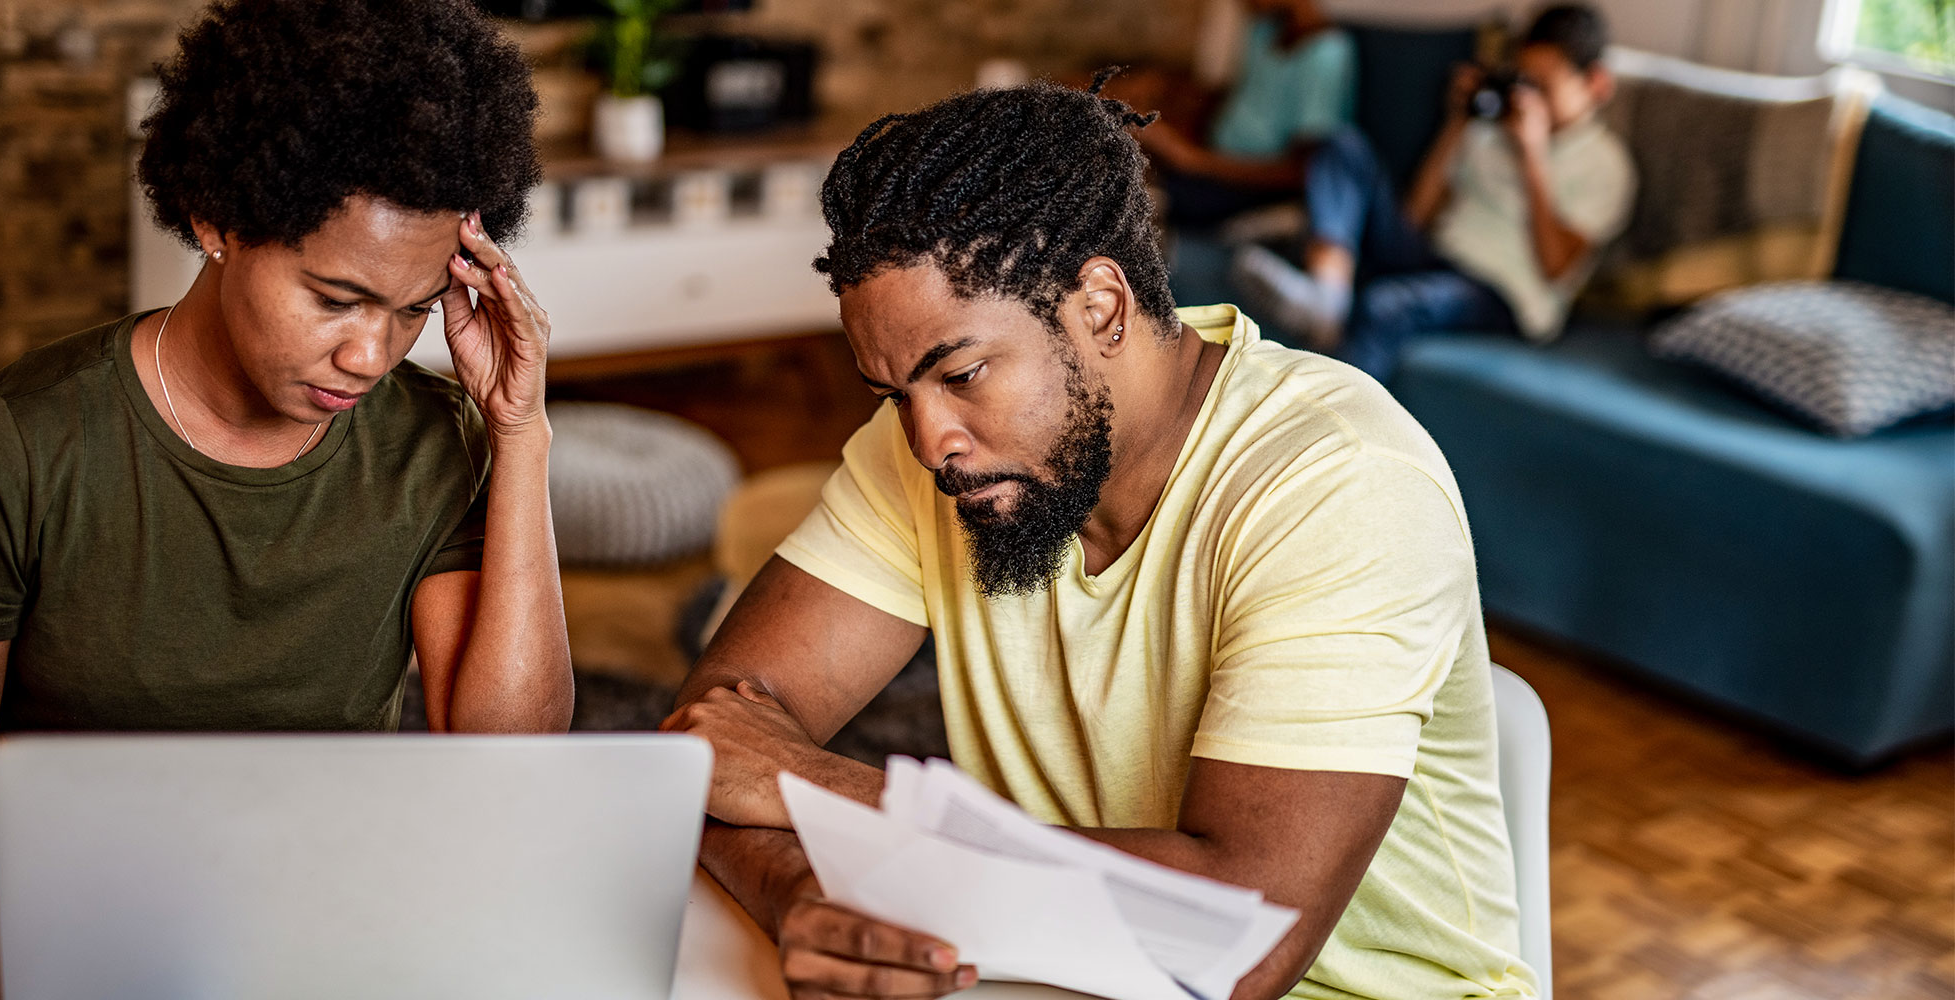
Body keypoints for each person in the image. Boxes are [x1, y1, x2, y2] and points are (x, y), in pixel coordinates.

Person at [662, 73, 1537, 1000]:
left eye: (960, 373)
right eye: (894, 395)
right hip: (1057, 972)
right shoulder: (944, 452)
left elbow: (1242, 945)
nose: (928, 442)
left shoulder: (1340, 481)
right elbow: (711, 742)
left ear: (1104, 307)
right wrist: (806, 899)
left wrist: (822, 786)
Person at [0, 0, 574, 872]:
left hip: (320, 890)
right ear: (218, 220)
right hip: (82, 892)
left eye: (415, 311)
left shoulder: (434, 441)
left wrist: (520, 433)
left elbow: (511, 767)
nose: (370, 356)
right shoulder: (16, 445)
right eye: (333, 298)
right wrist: (164, 819)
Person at [1233, 3, 1636, 382]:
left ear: (1596, 84)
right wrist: (1458, 123)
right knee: (1340, 146)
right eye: (1525, 81)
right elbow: (1416, 216)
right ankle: (1326, 297)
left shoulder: (1607, 165)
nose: (1530, 99)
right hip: (1437, 258)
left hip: (1503, 294)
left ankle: (1327, 440)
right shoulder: (1494, 130)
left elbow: (1556, 268)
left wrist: (1532, 157)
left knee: (1387, 305)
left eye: (1545, 88)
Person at [1124, 0, 1356, 229]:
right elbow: (1242, 98)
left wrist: (1194, 160)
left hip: (1251, 185)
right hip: (1214, 159)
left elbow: (1300, 172)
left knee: (1142, 199)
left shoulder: (1326, 54)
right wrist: (1166, 93)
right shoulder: (1263, 31)